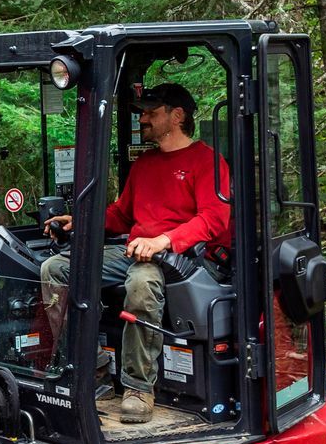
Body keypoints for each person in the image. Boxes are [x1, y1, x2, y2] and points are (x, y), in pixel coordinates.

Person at [38, 83, 230, 424]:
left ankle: (139, 388)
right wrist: (79, 221)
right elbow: (121, 215)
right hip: (135, 249)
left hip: (181, 260)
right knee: (55, 269)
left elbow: (214, 218)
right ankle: (91, 369)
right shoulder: (144, 164)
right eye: (141, 112)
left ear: (177, 116)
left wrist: (164, 240)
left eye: (150, 113)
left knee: (141, 284)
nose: (141, 118)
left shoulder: (206, 161)